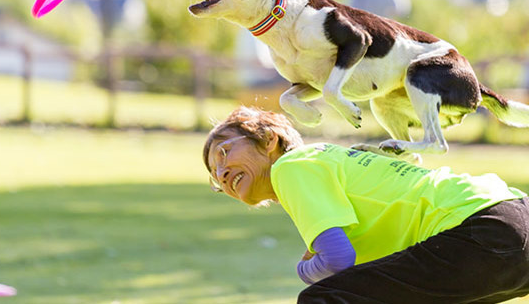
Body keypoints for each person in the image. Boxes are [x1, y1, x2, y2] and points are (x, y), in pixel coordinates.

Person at [203, 106, 529, 303]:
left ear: (269, 139)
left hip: (479, 228)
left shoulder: (291, 167)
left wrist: (303, 269)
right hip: (510, 212)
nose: (221, 171)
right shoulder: (319, 160)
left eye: (224, 151)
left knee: (323, 299)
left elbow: (338, 260)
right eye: (215, 177)